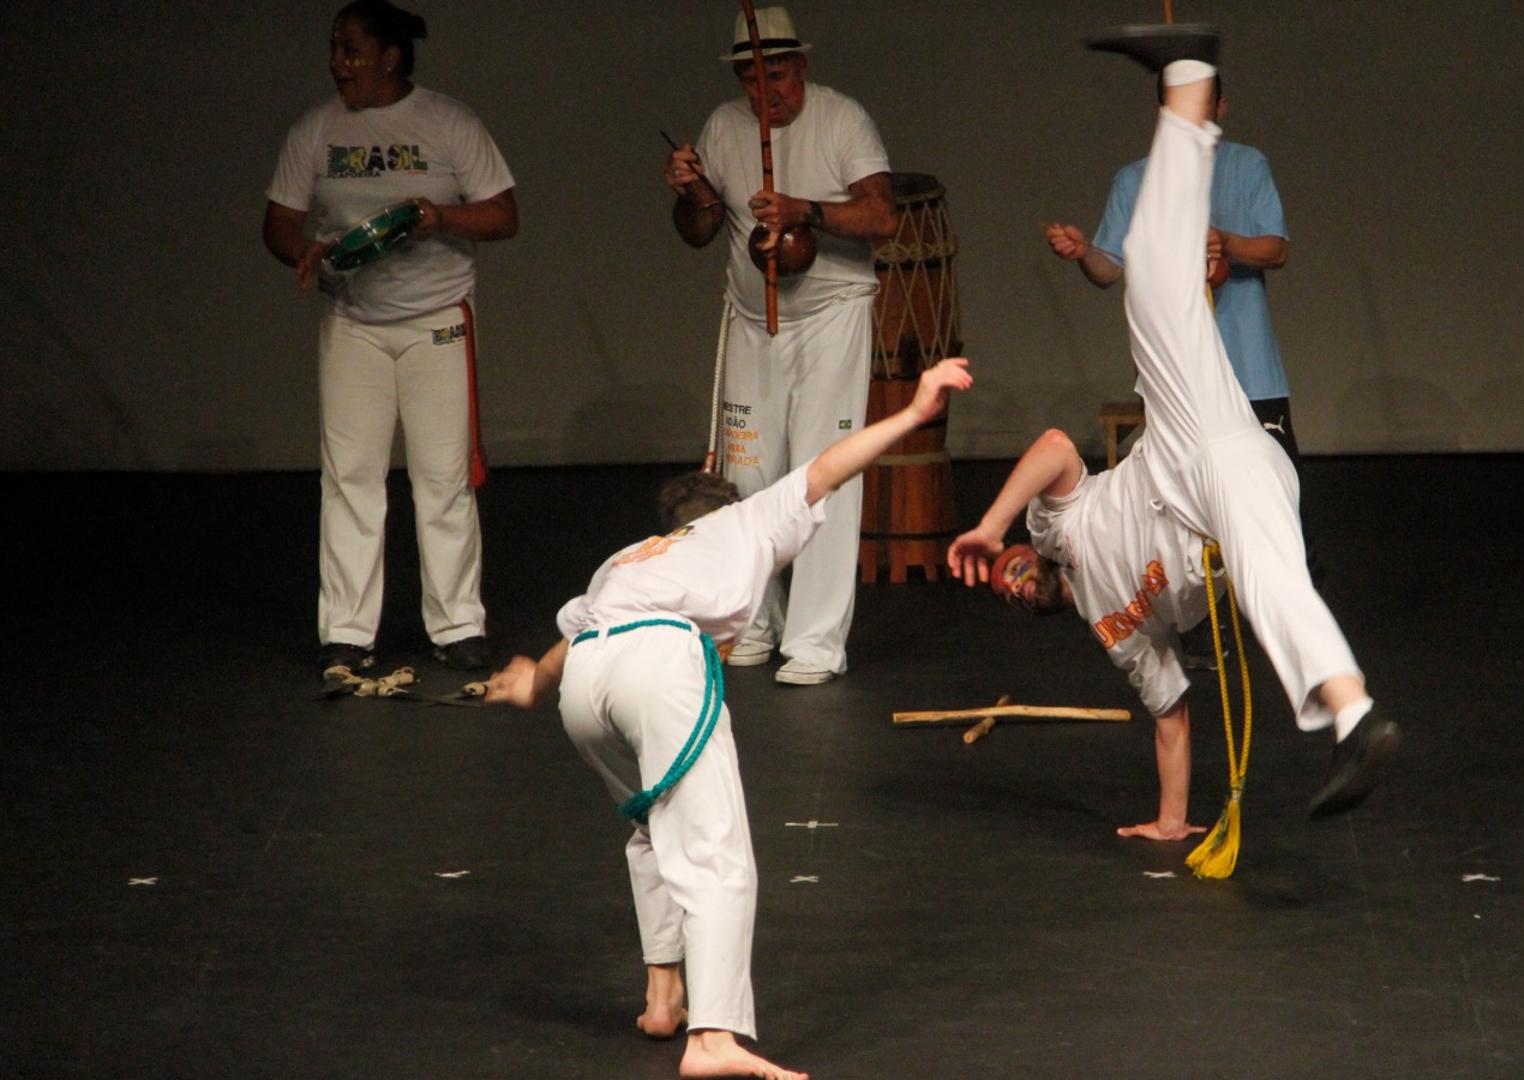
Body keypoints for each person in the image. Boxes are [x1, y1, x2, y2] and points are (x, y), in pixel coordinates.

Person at [948, 29, 1399, 836]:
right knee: (1271, 585)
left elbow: (1054, 447)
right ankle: (1354, 715)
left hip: (1190, 441)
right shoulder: (1113, 632)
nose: (1012, 577)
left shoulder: (1055, 526)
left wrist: (989, 524)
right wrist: (1169, 822)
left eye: (1009, 568)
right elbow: (1173, 716)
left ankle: (1188, 69)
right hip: (1224, 495)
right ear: (1036, 609)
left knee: (1155, 282)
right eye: (1013, 592)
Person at [486, 358, 973, 1080]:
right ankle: (711, 1038)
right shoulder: (744, 518)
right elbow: (829, 467)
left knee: (652, 828)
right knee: (714, 856)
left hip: (585, 682)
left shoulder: (633, 554)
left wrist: (533, 682)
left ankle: (662, 995)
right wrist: (912, 413)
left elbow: (585, 629)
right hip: (658, 665)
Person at [263, 0, 518, 679]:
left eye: (350, 49)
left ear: (390, 58)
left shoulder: (447, 122)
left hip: (437, 320)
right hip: (353, 325)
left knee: (442, 479)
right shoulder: (316, 129)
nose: (337, 62)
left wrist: (439, 216)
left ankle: (458, 623)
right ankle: (347, 631)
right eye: (334, 49)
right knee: (351, 479)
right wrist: (306, 250)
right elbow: (280, 219)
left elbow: (502, 214)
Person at [663, 6, 898, 687]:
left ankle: (817, 642)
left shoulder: (842, 119)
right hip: (750, 317)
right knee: (747, 480)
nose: (767, 91)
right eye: (752, 77)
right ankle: (753, 623)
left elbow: (881, 217)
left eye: (779, 73)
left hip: (832, 315)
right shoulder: (723, 127)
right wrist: (692, 191)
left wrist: (807, 211)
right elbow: (701, 231)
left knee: (823, 474)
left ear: (802, 66)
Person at [1044, 76, 1301, 465]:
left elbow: (1276, 249)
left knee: (1273, 498)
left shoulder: (1247, 165)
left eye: (1203, 105)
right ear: (1162, 115)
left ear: (1221, 108)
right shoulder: (1133, 181)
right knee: (1183, 508)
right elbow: (1107, 270)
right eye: (1181, 109)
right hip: (1175, 378)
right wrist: (1082, 252)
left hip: (1250, 371)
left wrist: (1227, 242)